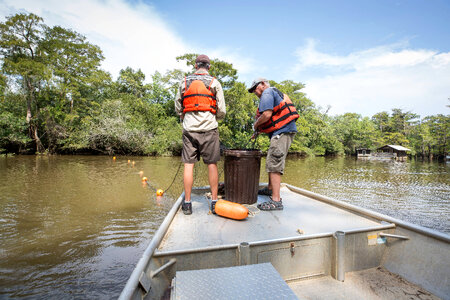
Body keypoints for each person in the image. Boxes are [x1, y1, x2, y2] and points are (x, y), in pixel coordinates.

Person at [175, 54, 226, 215]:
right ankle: (214, 202)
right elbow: (222, 110)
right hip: (209, 128)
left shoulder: (184, 82)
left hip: (189, 129)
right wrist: (214, 117)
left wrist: (183, 116)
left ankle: (188, 204)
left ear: (196, 66)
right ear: (208, 67)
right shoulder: (214, 82)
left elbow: (178, 106)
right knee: (212, 164)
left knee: (188, 165)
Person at [248, 78, 298, 210]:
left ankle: (276, 200)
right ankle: (270, 189)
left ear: (263, 84)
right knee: (271, 160)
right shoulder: (270, 94)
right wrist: (257, 131)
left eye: (255, 89)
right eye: (253, 91)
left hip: (283, 132)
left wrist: (255, 124)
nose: (255, 92)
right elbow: (270, 118)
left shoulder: (267, 92)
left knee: (274, 161)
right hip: (281, 131)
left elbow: (267, 115)